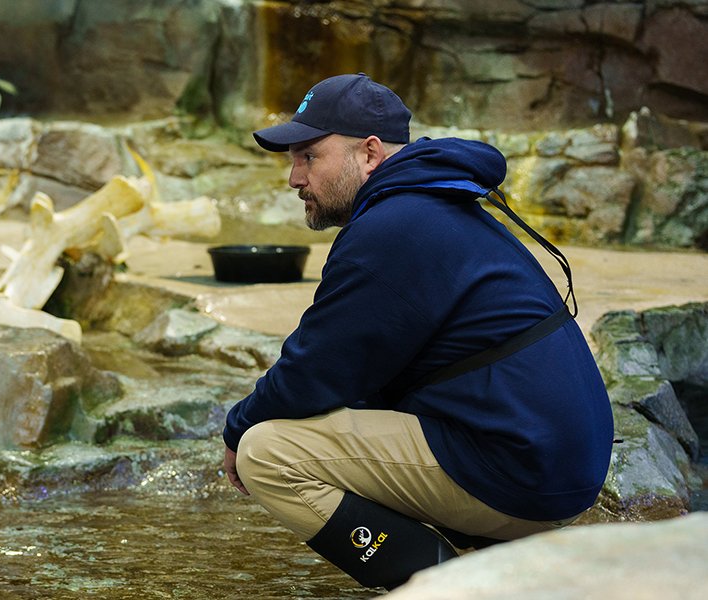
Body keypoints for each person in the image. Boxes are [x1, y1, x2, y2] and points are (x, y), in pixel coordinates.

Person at [221, 73, 613, 590]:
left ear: (369, 153)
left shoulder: (393, 227)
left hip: (524, 470)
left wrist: (237, 428)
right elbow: (355, 373)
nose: (295, 178)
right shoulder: (433, 203)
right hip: (553, 459)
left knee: (267, 453)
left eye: (309, 157)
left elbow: (315, 370)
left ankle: (444, 589)